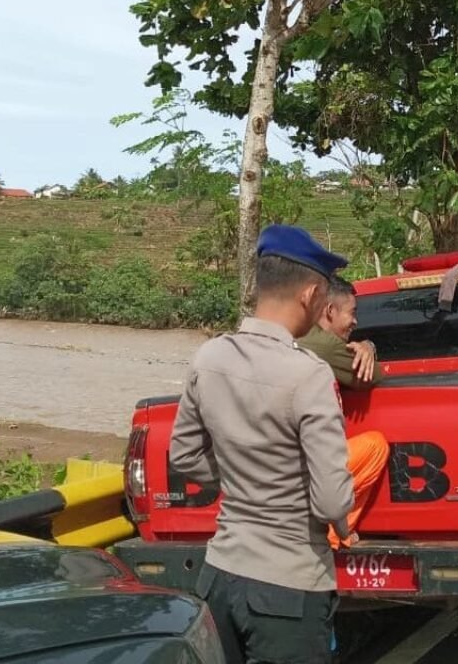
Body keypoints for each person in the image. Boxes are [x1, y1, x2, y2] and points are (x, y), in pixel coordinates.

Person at [169, 224, 353, 664]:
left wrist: (240, 480)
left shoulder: (209, 357)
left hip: (219, 575)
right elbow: (331, 500)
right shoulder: (308, 374)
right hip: (289, 586)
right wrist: (343, 525)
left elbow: (183, 455)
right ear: (311, 294)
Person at [299, 275, 389, 549]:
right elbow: (373, 375)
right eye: (352, 312)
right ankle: (334, 534)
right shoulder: (324, 346)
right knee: (375, 446)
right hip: (309, 468)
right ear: (330, 310)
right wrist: (369, 348)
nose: (355, 321)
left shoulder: (298, 336)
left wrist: (367, 345)